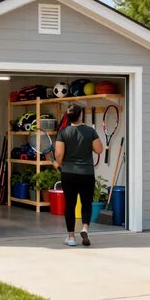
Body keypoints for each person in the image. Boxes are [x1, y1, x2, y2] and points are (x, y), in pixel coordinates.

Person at [53, 103, 104, 246]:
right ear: (80, 115)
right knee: (86, 203)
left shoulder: (63, 132)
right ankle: (85, 228)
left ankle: (70, 237)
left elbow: (59, 154)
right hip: (87, 173)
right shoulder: (90, 131)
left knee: (70, 204)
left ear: (68, 117)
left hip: (69, 173)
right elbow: (99, 150)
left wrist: (57, 163)